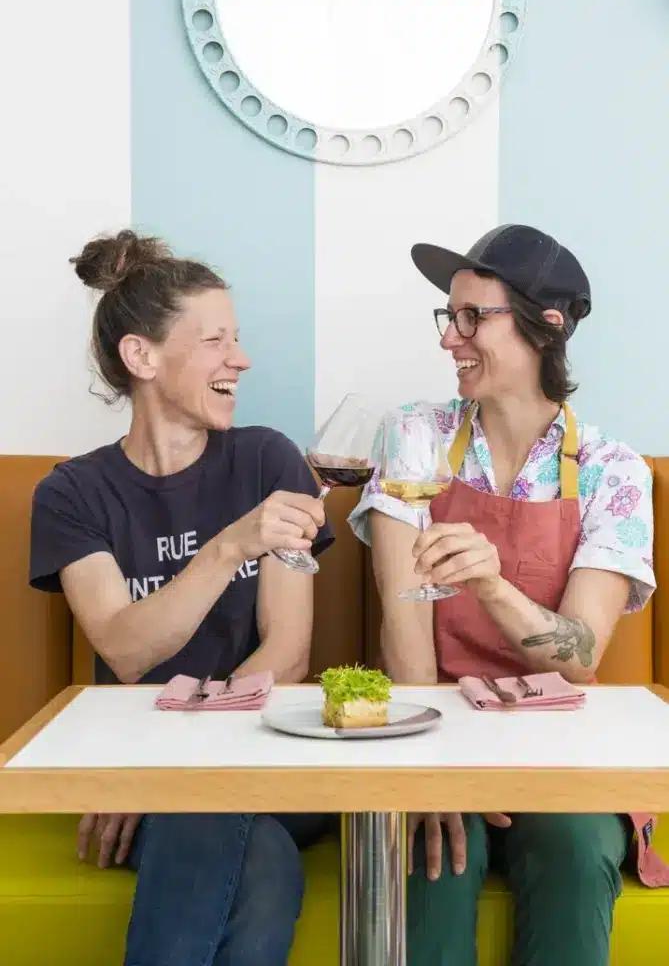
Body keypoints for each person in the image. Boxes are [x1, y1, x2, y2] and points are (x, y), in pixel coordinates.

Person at [348, 224, 669, 966]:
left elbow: (581, 655)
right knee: (432, 857)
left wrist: (489, 583)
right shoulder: (415, 437)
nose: (448, 338)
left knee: (577, 844)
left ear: (544, 326)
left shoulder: (609, 473)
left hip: (556, 745)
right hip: (427, 723)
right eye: (446, 317)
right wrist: (430, 774)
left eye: (470, 318)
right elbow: (405, 636)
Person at [29, 230, 334, 966]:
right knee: (258, 861)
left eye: (238, 337)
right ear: (143, 357)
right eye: (215, 340)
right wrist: (229, 547)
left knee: (204, 810)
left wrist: (172, 767)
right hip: (153, 775)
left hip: (270, 760)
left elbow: (285, 654)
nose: (242, 358)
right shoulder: (75, 494)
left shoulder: (268, 458)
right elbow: (127, 650)